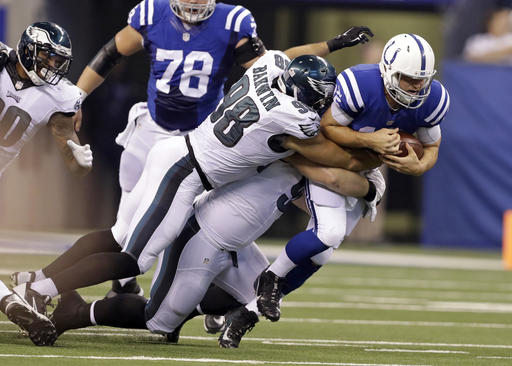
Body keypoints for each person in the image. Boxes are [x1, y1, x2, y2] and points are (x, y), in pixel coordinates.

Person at [39, 0, 374, 296]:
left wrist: (331, 45)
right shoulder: (290, 117)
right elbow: (339, 157)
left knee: (133, 239)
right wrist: (376, 144)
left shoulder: (267, 67)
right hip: (180, 163)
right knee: (133, 256)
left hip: (183, 153)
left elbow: (281, 59)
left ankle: (45, 283)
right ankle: (41, 288)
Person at [221, 33, 451, 347]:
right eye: (408, 78)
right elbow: (329, 128)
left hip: (368, 167)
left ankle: (245, 314)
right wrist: (371, 141)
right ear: (387, 71)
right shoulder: (360, 83)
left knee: (323, 254)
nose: (415, 86)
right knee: (328, 233)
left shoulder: (433, 97)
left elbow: (432, 145)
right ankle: (270, 278)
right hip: (335, 161)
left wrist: (419, 167)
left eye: (421, 79)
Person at [49, 155, 383, 343]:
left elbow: (346, 183)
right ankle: (77, 312)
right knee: (158, 320)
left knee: (253, 293)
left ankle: (188, 307)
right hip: (204, 231)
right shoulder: (287, 135)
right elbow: (328, 167)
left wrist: (367, 177)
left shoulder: (313, 148)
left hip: (238, 241)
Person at [0, 21, 93, 346]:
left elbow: (67, 143)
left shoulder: (61, 95)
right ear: (27, 49)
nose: (52, 66)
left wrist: (78, 162)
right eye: (47, 57)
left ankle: (11, 303)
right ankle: (13, 303)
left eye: (57, 61)